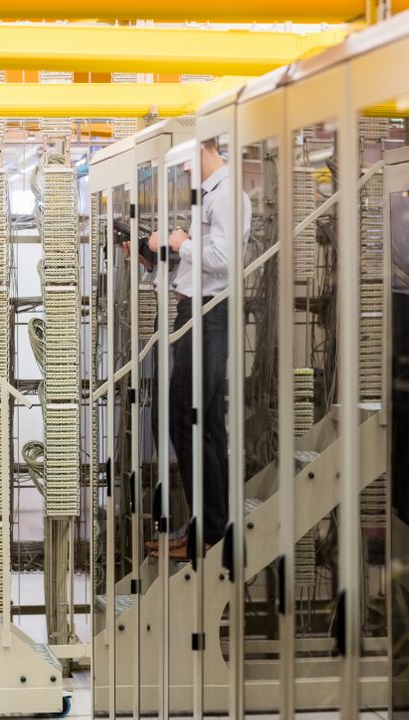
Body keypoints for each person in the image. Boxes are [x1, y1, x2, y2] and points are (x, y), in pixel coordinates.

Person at [128, 138, 252, 561]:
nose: (182, 173)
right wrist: (155, 258)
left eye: (183, 163)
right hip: (196, 312)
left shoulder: (229, 193)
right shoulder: (211, 196)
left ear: (206, 147)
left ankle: (210, 530)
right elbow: (197, 268)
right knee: (206, 425)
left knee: (185, 419)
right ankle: (207, 525)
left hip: (208, 317)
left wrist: (179, 242)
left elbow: (223, 257)